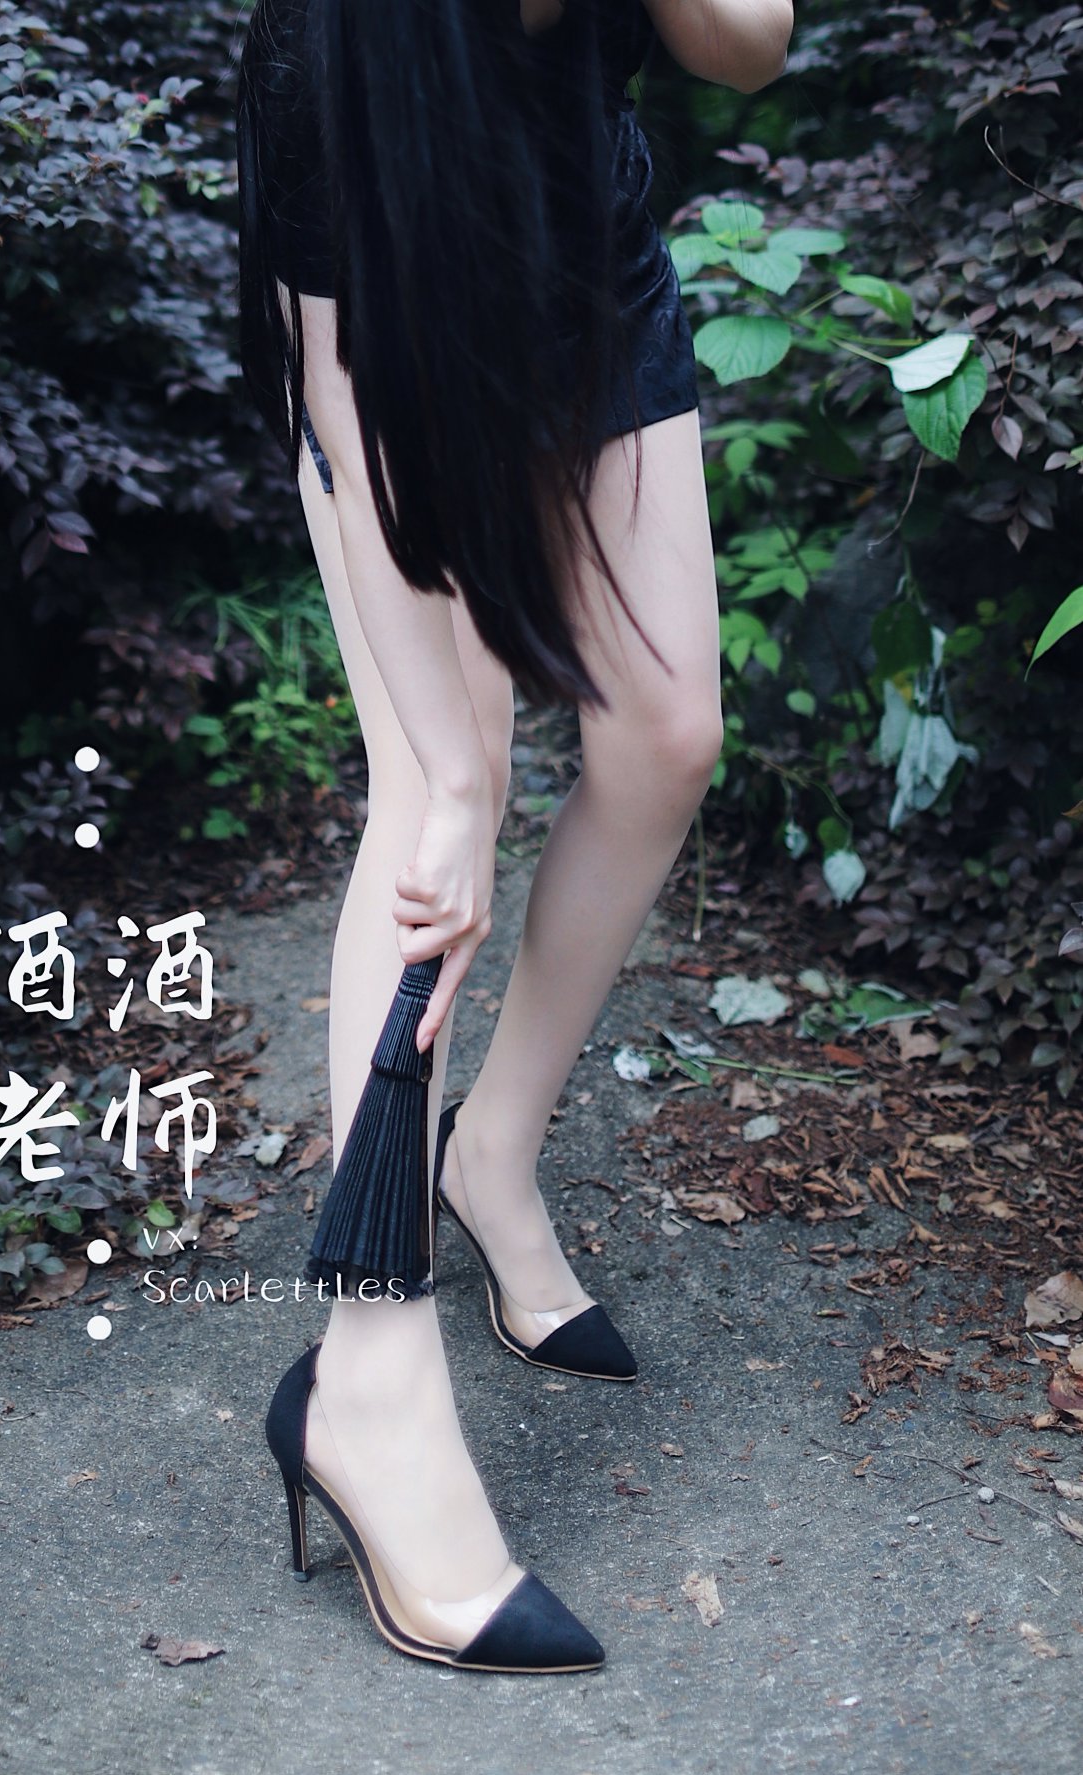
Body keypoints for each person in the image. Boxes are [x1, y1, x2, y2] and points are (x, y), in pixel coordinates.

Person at [238, 0, 794, 1672]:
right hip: (391, 300)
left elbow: (750, 46)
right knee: (433, 787)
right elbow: (347, 406)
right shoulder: (331, 50)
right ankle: (367, 1375)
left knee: (666, 738)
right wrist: (461, 784)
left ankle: (490, 1154)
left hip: (584, 237)